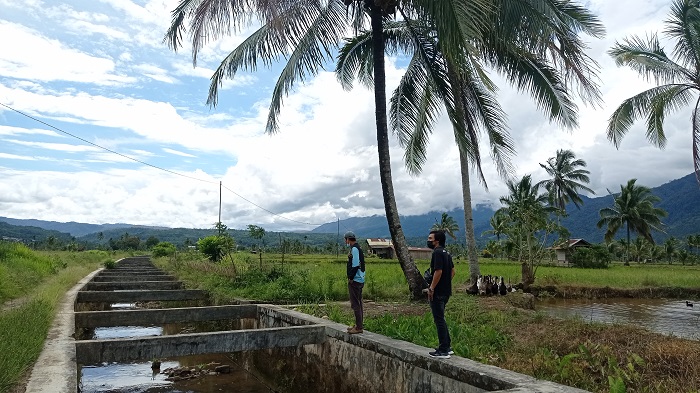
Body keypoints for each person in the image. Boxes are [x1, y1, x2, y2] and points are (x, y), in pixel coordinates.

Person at [426, 230, 455, 358]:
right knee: (441, 318)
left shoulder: (437, 253)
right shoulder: (446, 253)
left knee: (439, 320)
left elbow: (438, 271)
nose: (428, 240)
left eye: (430, 238)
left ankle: (443, 349)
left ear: (437, 240)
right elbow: (453, 272)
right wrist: (445, 283)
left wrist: (432, 288)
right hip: (446, 291)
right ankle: (447, 346)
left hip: (437, 292)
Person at [344, 231, 365, 334]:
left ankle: (358, 328)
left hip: (356, 280)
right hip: (360, 279)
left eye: (346, 239)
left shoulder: (355, 249)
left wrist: (351, 277)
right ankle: (359, 325)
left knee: (355, 304)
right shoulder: (357, 248)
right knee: (359, 302)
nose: (346, 241)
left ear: (348, 239)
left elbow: (356, 264)